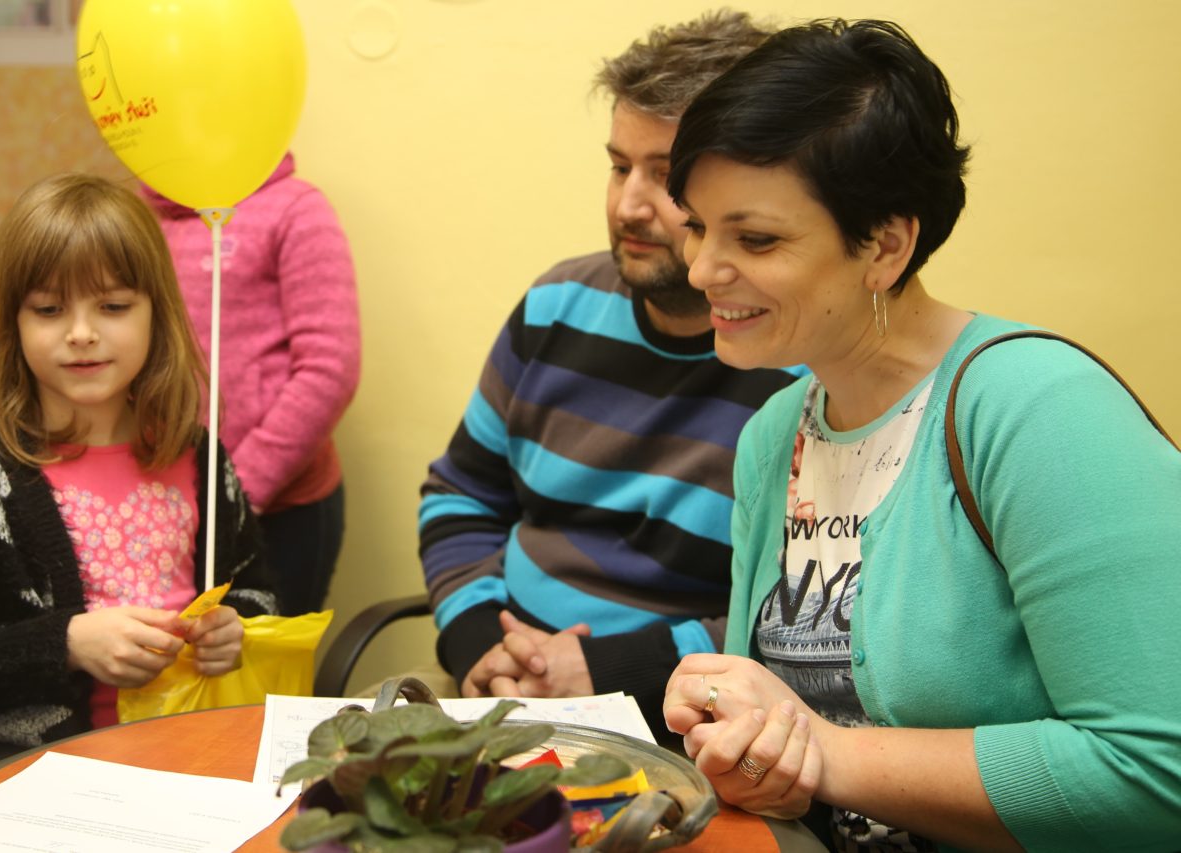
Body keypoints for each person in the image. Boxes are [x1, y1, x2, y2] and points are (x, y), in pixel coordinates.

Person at [660, 19, 1181, 852]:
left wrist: (826, 753)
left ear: (886, 245)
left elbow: (1157, 770)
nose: (700, 270)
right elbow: (785, 754)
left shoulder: (1039, 408)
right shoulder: (774, 435)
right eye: (697, 225)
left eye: (755, 238)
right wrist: (746, 745)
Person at [418, 9, 799, 743]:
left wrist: (611, 670)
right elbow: (461, 494)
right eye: (620, 166)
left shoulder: (802, 370)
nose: (628, 204)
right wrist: (479, 644)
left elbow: (802, 618)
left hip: (686, 722)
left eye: (666, 176)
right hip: (502, 686)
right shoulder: (556, 305)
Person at [0, 174, 277, 748]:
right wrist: (67, 644)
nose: (81, 333)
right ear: (13, 321)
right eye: (49, 309)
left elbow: (256, 593)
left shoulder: (199, 455)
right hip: (49, 779)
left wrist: (238, 629)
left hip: (198, 759)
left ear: (155, 314)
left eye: (113, 306)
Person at [142, 152, 360, 616]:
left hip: (279, 510)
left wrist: (236, 494)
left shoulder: (295, 209)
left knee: (260, 661)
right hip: (167, 505)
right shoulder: (147, 220)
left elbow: (330, 369)